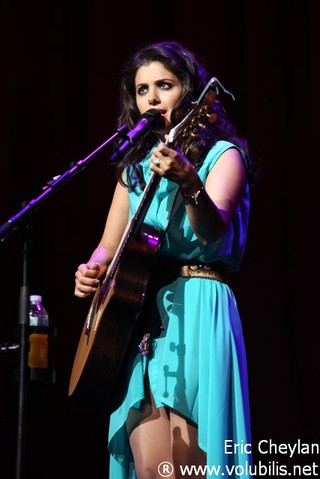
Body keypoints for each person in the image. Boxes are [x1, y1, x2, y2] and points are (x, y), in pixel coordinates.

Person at [74, 40, 253, 479]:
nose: (151, 98)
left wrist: (190, 181)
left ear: (189, 94)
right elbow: (108, 245)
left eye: (164, 85)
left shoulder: (223, 157)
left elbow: (213, 230)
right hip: (138, 317)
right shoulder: (133, 170)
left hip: (198, 304)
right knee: (153, 469)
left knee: (189, 466)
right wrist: (91, 269)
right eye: (141, 90)